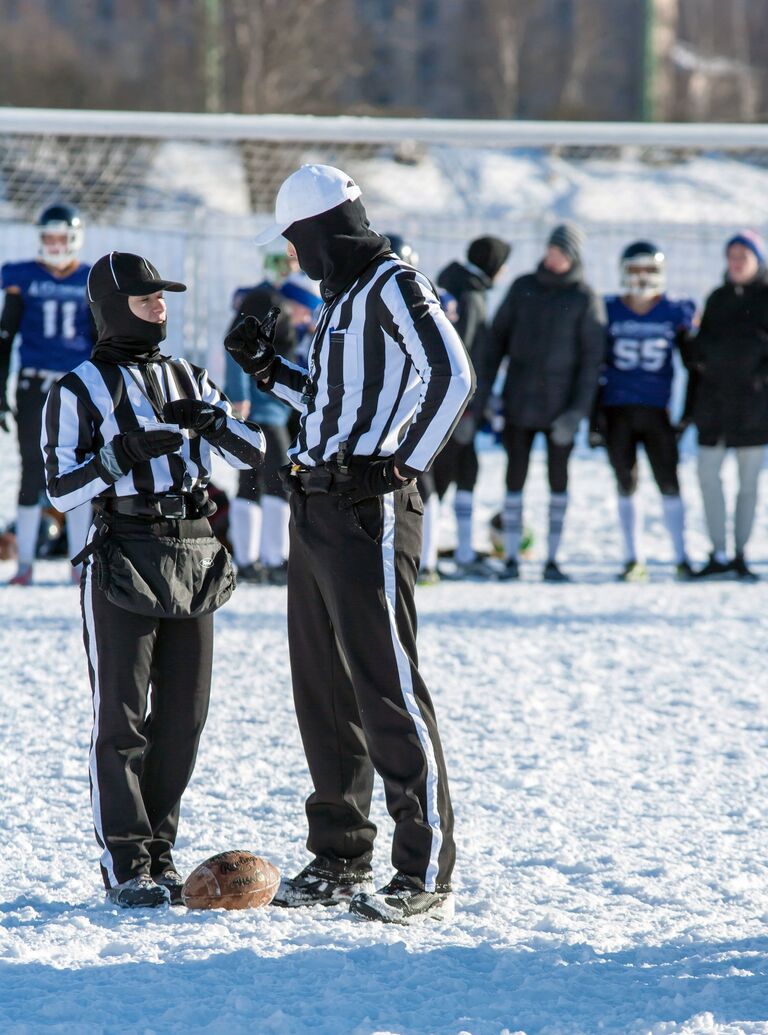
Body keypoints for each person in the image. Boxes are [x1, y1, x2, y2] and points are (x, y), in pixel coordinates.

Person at [226, 164, 474, 923]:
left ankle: (423, 866)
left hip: (369, 507)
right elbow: (337, 402)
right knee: (324, 692)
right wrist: (271, 371)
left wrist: (401, 463)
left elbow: (452, 376)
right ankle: (339, 854)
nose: (294, 258)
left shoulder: (395, 283)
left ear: (323, 231)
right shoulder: (341, 298)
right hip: (317, 500)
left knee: (385, 686)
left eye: (297, 242)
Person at [42, 251, 265, 908]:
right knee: (121, 715)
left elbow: (254, 455)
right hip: (120, 545)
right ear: (115, 308)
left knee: (184, 716)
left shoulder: (188, 374)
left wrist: (216, 423)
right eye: (147, 299)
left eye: (163, 297)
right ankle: (126, 860)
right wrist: (119, 455)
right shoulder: (76, 388)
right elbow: (59, 485)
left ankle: (160, 851)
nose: (160, 307)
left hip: (194, 544)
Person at [479, 223, 605, 582]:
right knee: (513, 479)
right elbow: (495, 344)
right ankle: (511, 558)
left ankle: (552, 558)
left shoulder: (584, 297)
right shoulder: (523, 288)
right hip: (519, 403)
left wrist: (577, 413)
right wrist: (486, 397)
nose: (554, 257)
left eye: (561, 252)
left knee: (558, 481)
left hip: (560, 409)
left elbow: (591, 363)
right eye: (551, 249)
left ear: (574, 256)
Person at [0, 203, 95, 585]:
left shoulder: (90, 279)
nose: (54, 245)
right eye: (48, 238)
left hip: (77, 385)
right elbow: (5, 339)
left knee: (81, 468)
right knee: (31, 469)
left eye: (61, 237)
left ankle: (78, 564)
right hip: (35, 384)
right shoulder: (22, 275)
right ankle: (24, 565)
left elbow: (103, 338)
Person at [593, 241, 696, 581]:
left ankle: (682, 556)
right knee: (626, 482)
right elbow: (594, 365)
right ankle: (632, 557)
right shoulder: (608, 309)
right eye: (635, 269)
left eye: (648, 269)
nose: (641, 277)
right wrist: (594, 418)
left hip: (657, 410)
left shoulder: (675, 310)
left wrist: (689, 411)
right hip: (617, 410)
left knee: (670, 482)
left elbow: (694, 365)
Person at [682, 230, 768, 580]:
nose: (735, 262)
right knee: (707, 477)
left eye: (743, 256)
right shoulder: (716, 298)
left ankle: (741, 553)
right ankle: (717, 552)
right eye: (731, 255)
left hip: (753, 410)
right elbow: (699, 353)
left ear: (757, 260)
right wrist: (687, 340)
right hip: (714, 408)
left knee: (748, 485)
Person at [434, 236, 511, 578]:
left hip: (467, 403)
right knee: (442, 476)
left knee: (467, 471)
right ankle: (426, 556)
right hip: (457, 405)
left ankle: (464, 551)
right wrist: (462, 407)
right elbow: (458, 353)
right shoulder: (468, 295)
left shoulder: (466, 287)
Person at [224, 254, 301, 584]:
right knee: (276, 480)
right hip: (262, 409)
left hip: (276, 408)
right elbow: (237, 347)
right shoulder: (264, 299)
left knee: (254, 482)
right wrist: (238, 396)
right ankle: (271, 558)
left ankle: (250, 560)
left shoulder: (286, 297)